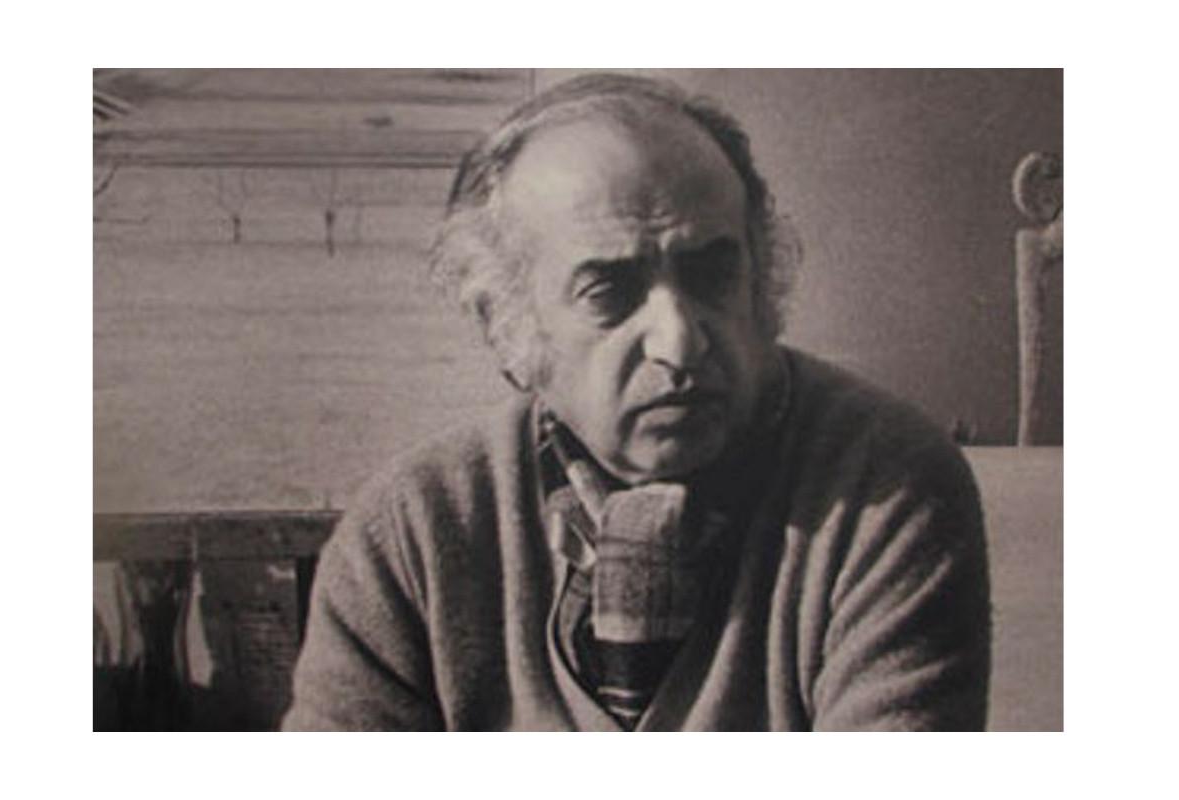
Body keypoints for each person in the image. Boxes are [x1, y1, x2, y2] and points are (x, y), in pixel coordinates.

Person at [282, 73, 990, 731]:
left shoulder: (884, 486)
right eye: (609, 292)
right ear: (507, 325)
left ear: (762, 285)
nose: (679, 343)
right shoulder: (411, 533)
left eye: (712, 274)